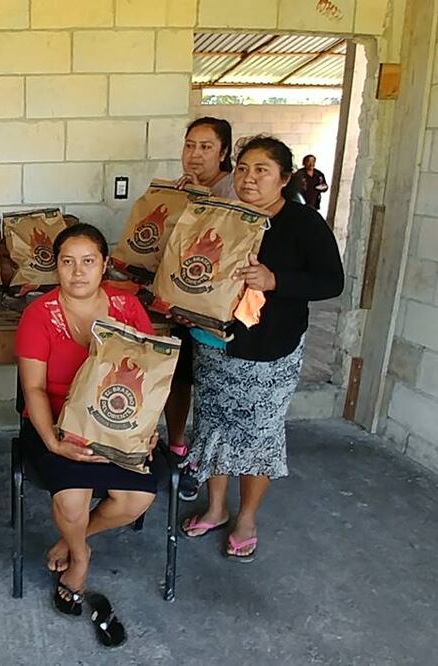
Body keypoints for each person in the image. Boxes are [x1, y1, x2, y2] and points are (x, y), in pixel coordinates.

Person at [181, 136, 344, 562]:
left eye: (261, 170)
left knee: (258, 435)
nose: (249, 178)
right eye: (243, 169)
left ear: (284, 178)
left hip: (270, 349)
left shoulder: (303, 224)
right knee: (213, 427)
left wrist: (277, 281)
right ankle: (216, 508)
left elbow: (332, 281)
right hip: (215, 342)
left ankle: (246, 518)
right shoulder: (225, 216)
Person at [16, 223, 158, 622]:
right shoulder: (38, 315)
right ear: (56, 267)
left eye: (88, 262)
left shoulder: (129, 309)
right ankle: (80, 557)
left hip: (119, 423)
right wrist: (53, 441)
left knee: (136, 499)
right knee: (72, 497)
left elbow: (150, 374)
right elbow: (34, 388)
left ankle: (72, 538)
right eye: (68, 262)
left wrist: (147, 429)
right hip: (59, 422)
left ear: (105, 265)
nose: (78, 272)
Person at [169, 116, 237, 500]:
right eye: (190, 145)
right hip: (181, 303)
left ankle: (200, 461)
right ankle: (177, 448)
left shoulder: (233, 189)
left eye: (206, 147)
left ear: (224, 152)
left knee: (210, 390)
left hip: (214, 313)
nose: (195, 154)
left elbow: (226, 240)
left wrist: (200, 200)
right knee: (176, 377)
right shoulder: (186, 188)